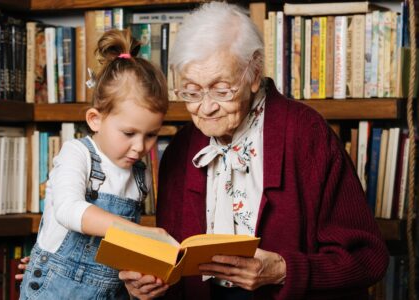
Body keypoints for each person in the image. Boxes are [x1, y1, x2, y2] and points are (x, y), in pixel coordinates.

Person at [119, 2, 389, 299]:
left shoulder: (307, 133)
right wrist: (151, 285)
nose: (206, 108)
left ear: (254, 72)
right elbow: (175, 270)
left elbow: (369, 260)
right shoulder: (180, 151)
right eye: (191, 92)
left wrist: (285, 270)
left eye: (222, 90)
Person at [19, 29, 169, 300]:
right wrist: (139, 232)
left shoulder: (139, 176)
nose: (140, 147)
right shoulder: (77, 154)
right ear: (95, 119)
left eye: (151, 135)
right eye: (129, 133)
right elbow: (68, 209)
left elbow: (122, 253)